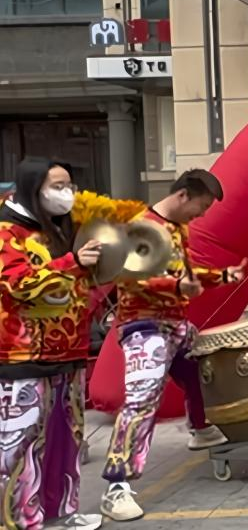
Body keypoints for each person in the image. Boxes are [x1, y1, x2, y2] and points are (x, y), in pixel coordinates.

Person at [99, 170, 245, 522]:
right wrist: (176, 288)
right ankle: (116, 486)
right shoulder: (140, 227)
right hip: (144, 327)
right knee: (142, 400)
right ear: (183, 196)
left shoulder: (178, 229)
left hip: (175, 326)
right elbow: (130, 278)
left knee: (201, 363)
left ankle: (200, 427)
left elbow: (186, 274)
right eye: (202, 206)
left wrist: (222, 276)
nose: (202, 214)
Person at [0, 158, 104, 529]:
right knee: (22, 446)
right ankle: (21, 521)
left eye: (69, 186)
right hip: (23, 357)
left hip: (69, 353)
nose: (67, 194)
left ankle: (63, 511)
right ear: (33, 187)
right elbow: (17, 283)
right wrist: (73, 263)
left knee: (67, 439)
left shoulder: (56, 230)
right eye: (57, 186)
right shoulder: (7, 232)